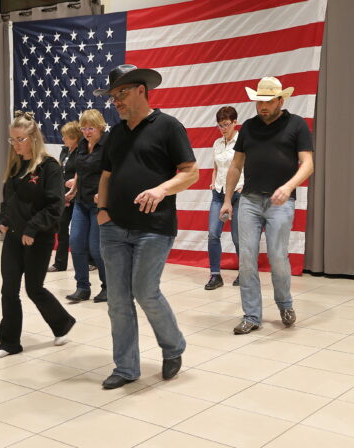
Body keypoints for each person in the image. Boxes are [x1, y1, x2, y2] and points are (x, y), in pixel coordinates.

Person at [94, 64, 198, 389]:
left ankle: (173, 346)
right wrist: (102, 210)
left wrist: (161, 189)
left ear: (141, 90)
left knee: (144, 291)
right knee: (117, 301)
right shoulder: (114, 134)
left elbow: (191, 172)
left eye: (121, 94)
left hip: (154, 228)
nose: (116, 102)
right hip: (114, 228)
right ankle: (126, 368)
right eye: (113, 96)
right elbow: (107, 175)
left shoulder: (168, 127)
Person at [220, 77, 314, 335]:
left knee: (277, 256)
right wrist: (227, 200)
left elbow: (307, 163)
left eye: (268, 101)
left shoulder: (296, 124)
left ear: (280, 100)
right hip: (249, 200)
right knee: (246, 258)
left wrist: (289, 187)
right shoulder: (249, 127)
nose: (262, 106)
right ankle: (251, 315)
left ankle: (285, 304)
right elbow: (236, 165)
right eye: (259, 101)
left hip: (280, 203)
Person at [0, 110, 76, 359]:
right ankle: (9, 343)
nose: (16, 145)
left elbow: (55, 206)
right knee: (8, 290)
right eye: (13, 140)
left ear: (33, 137)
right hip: (14, 237)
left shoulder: (49, 167)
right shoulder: (16, 166)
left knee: (33, 288)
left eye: (20, 139)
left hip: (38, 238)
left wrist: (32, 229)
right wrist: (3, 219)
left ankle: (62, 323)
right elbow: (9, 200)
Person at [65, 110, 108, 303]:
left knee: (96, 248)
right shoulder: (82, 144)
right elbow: (79, 171)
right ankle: (82, 287)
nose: (86, 132)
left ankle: (108, 287)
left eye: (90, 128)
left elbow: (113, 172)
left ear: (100, 127)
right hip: (81, 202)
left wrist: (105, 194)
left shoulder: (108, 145)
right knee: (76, 243)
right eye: (83, 128)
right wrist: (73, 188)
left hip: (99, 204)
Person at [205, 106, 244, 290]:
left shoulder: (242, 141)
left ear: (235, 122)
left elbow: (246, 166)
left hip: (238, 193)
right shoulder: (217, 143)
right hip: (219, 194)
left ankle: (244, 272)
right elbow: (216, 167)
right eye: (220, 125)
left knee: (238, 237)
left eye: (227, 124)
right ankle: (215, 275)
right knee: (213, 234)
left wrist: (244, 185)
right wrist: (213, 182)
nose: (223, 129)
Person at [48, 121, 80, 272]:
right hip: (65, 195)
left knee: (80, 232)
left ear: (74, 137)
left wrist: (75, 184)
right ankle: (60, 263)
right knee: (61, 227)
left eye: (65, 136)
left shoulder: (82, 151)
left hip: (79, 195)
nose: (62, 139)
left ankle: (91, 260)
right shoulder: (64, 151)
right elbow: (61, 172)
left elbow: (85, 171)